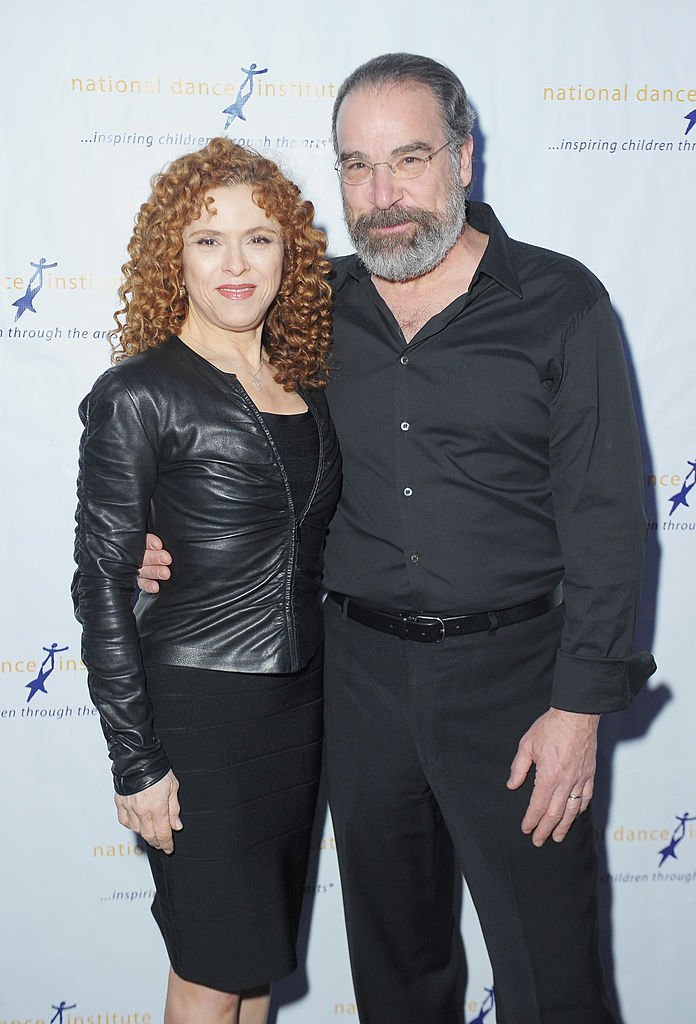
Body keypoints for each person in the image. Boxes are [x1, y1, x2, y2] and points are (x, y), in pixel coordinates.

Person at [140, 55, 656, 1024]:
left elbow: (607, 521)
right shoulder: (304, 309)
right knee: (398, 971)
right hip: (357, 678)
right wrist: (157, 530)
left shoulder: (561, 303)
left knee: (554, 978)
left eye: (408, 160)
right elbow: (221, 442)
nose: (383, 197)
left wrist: (578, 710)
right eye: (356, 167)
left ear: (463, 156)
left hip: (521, 686)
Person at [73, 138, 340, 1024]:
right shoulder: (138, 394)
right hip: (198, 716)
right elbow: (102, 588)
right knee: (210, 967)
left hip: (298, 712)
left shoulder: (307, 387)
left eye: (259, 238)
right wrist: (137, 760)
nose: (235, 263)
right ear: (172, 256)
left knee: (255, 965)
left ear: (289, 255)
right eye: (207, 239)